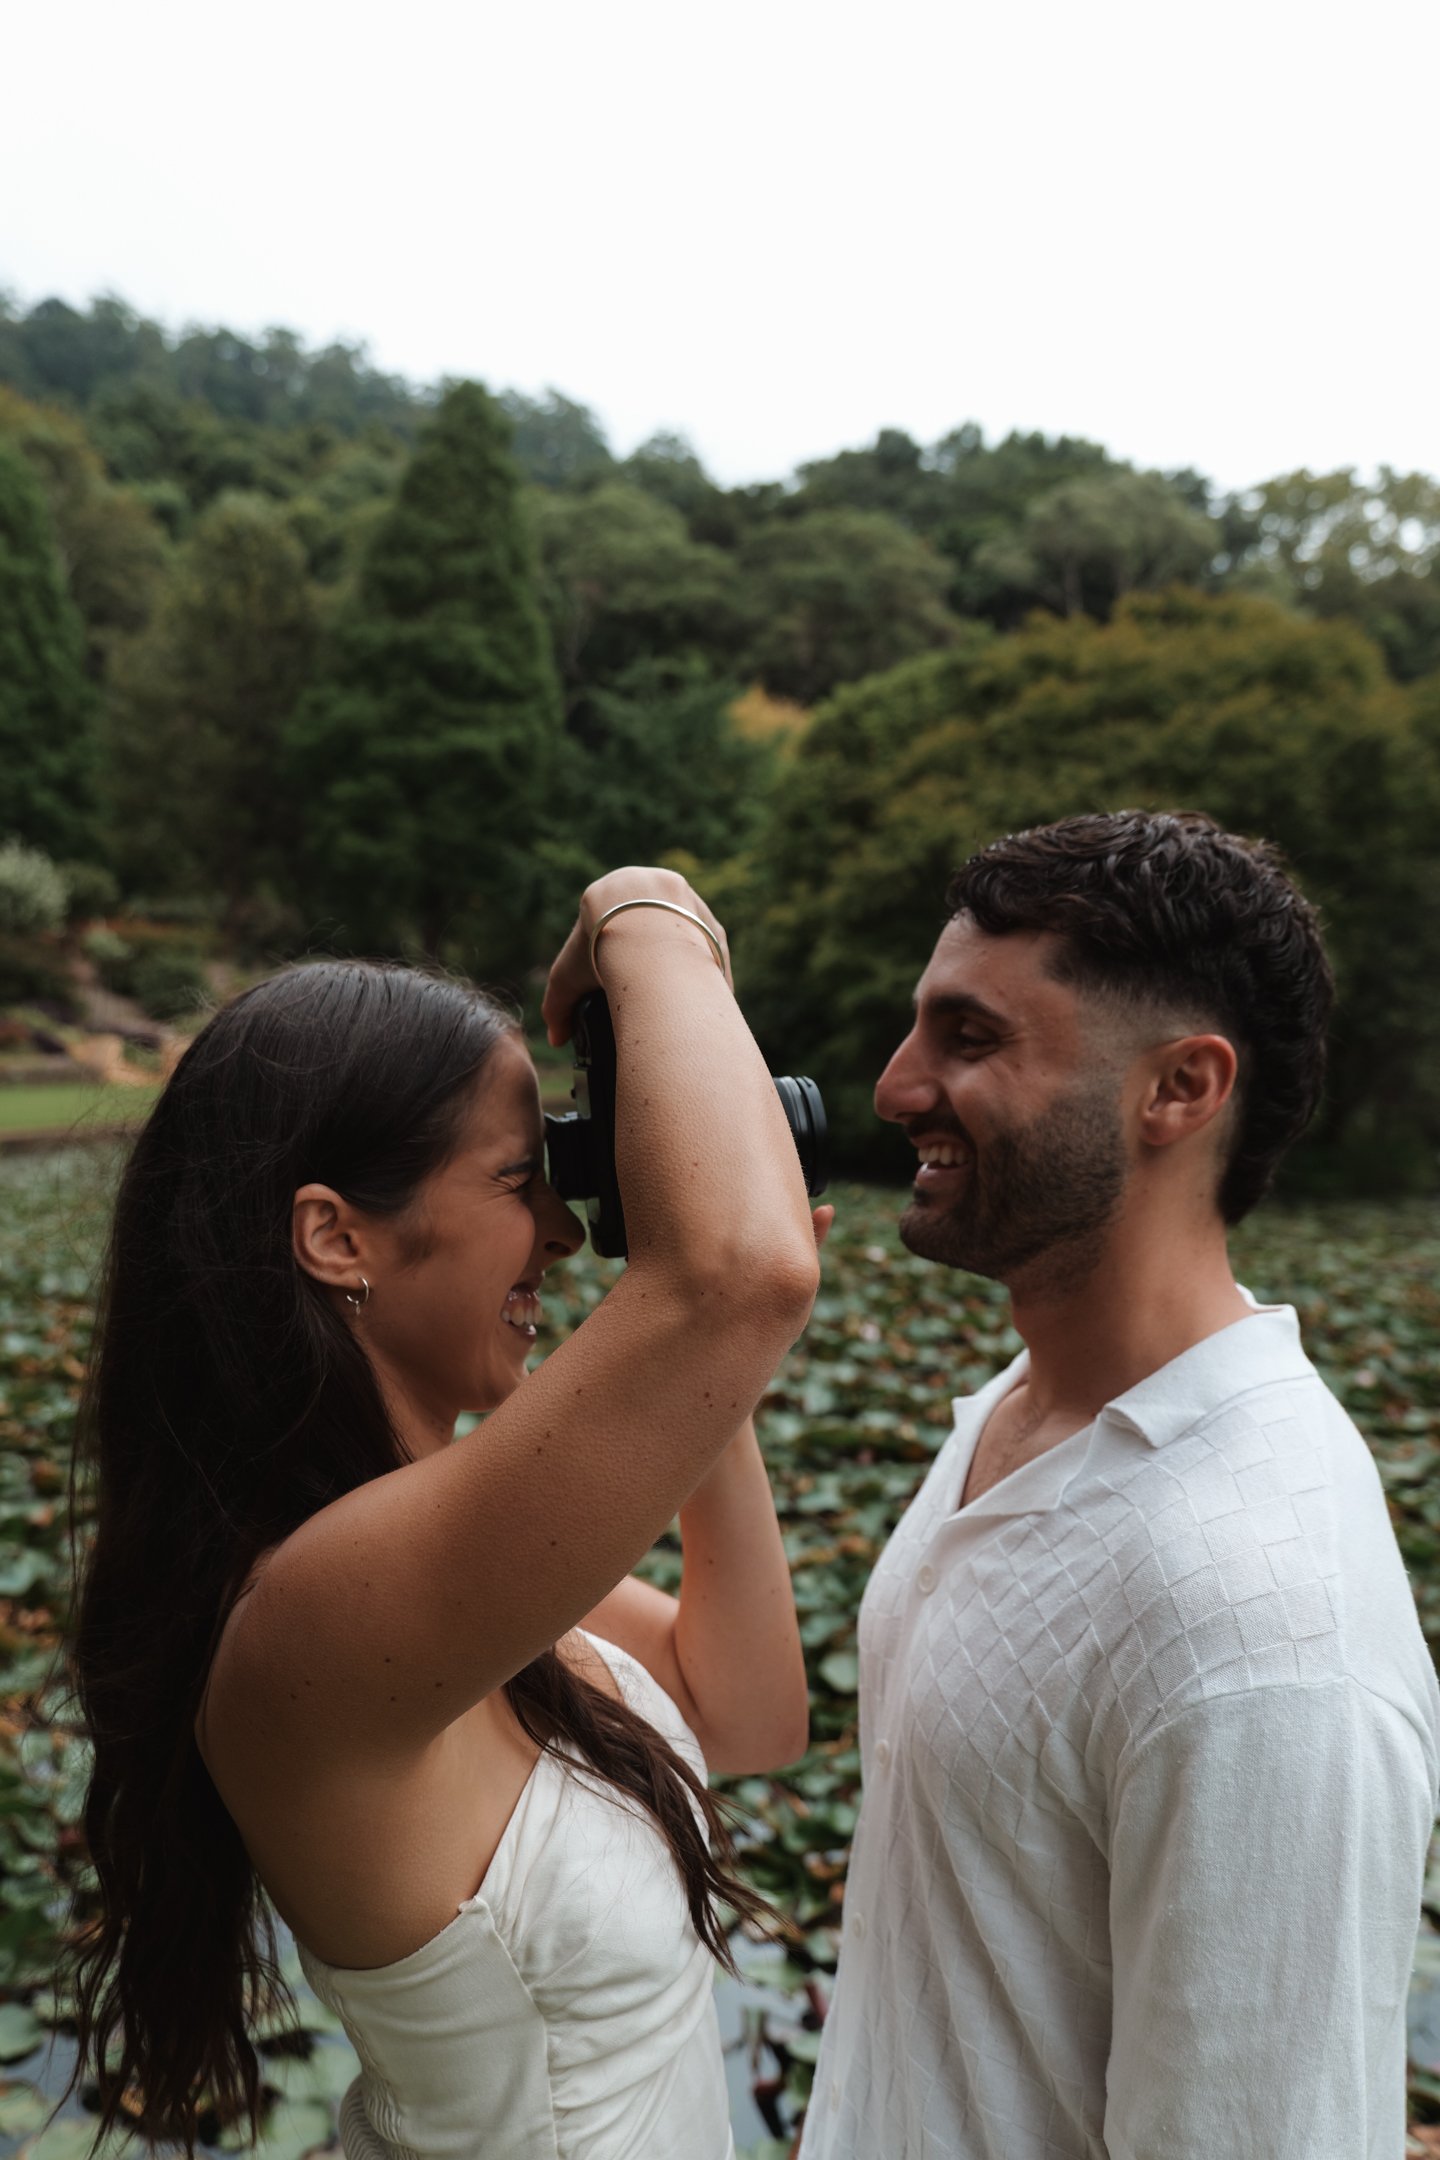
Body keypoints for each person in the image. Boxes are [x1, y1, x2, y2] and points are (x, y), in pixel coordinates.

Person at [65, 866, 824, 2160]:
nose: (567, 1233)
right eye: (523, 1180)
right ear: (337, 1237)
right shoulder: (314, 1616)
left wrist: (698, 1362)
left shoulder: (436, 1574)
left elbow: (747, 1708)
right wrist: (645, 908)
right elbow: (740, 1270)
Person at [800, 809, 1440, 2160]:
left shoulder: (1264, 1627)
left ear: (1180, 1089)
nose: (897, 1088)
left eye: (970, 1038)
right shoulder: (1017, 1411)